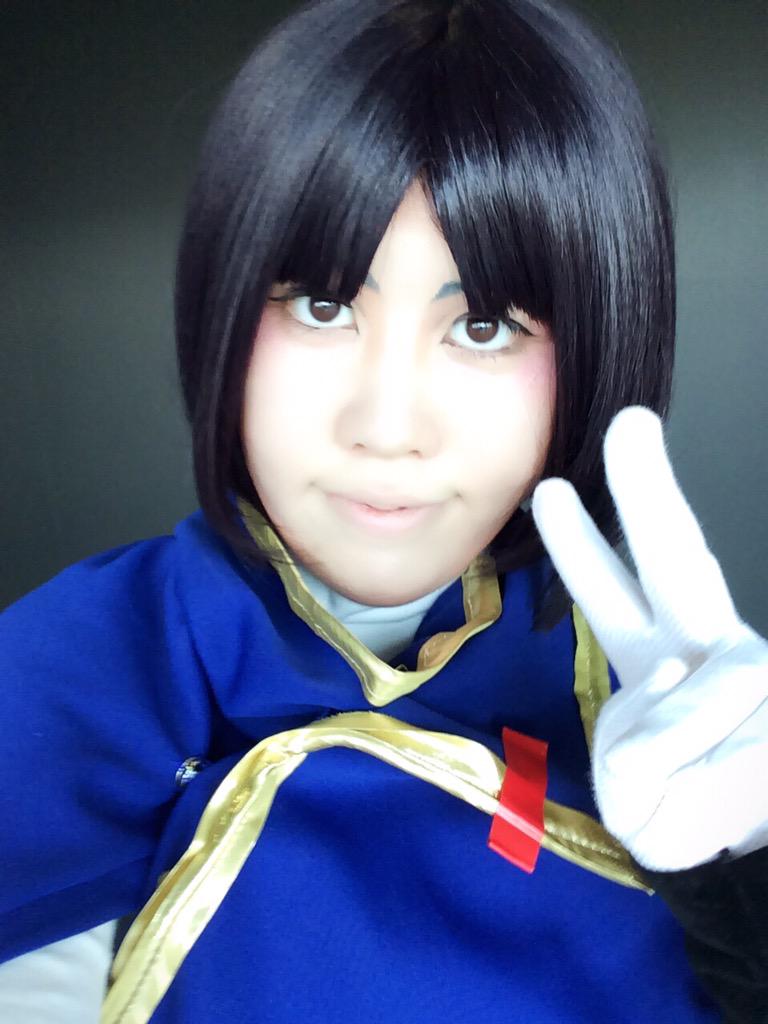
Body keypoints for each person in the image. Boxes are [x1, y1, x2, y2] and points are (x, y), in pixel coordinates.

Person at [1, 0, 766, 1021]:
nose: (387, 425)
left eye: (483, 325)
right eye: (322, 307)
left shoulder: (671, 700)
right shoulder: (82, 669)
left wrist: (743, 888)